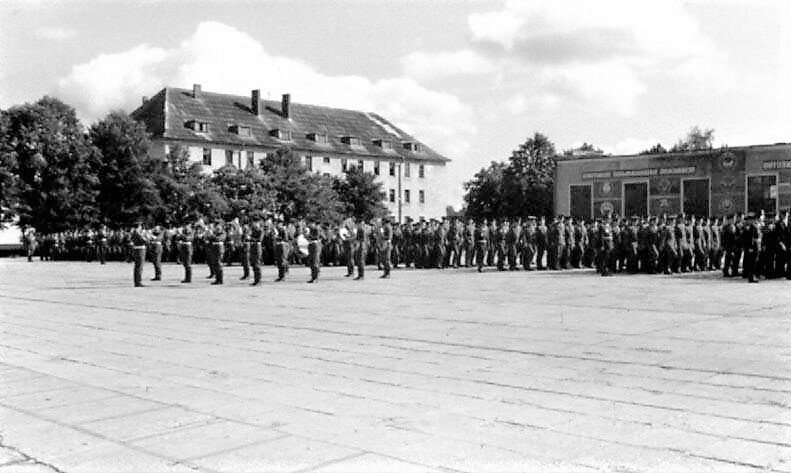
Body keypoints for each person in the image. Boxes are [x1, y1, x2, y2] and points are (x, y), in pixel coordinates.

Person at [130, 223, 148, 287]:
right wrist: (147, 239)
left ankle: (137, 281)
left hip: (137, 249)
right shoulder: (137, 233)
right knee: (139, 266)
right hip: (140, 249)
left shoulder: (134, 233)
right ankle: (138, 281)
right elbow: (144, 241)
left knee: (138, 266)